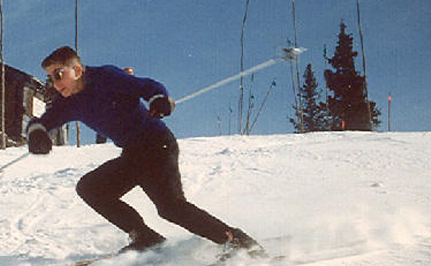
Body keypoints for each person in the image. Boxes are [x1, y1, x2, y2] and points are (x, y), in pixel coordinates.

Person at [26, 46, 263, 255]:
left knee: (170, 208)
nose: (55, 83)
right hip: (133, 155)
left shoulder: (105, 77)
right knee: (91, 188)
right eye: (50, 78)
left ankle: (237, 242)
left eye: (58, 75)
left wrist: (158, 99)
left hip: (157, 146)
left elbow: (147, 86)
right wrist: (37, 133)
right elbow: (43, 122)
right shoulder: (68, 102)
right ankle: (146, 238)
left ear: (77, 70)